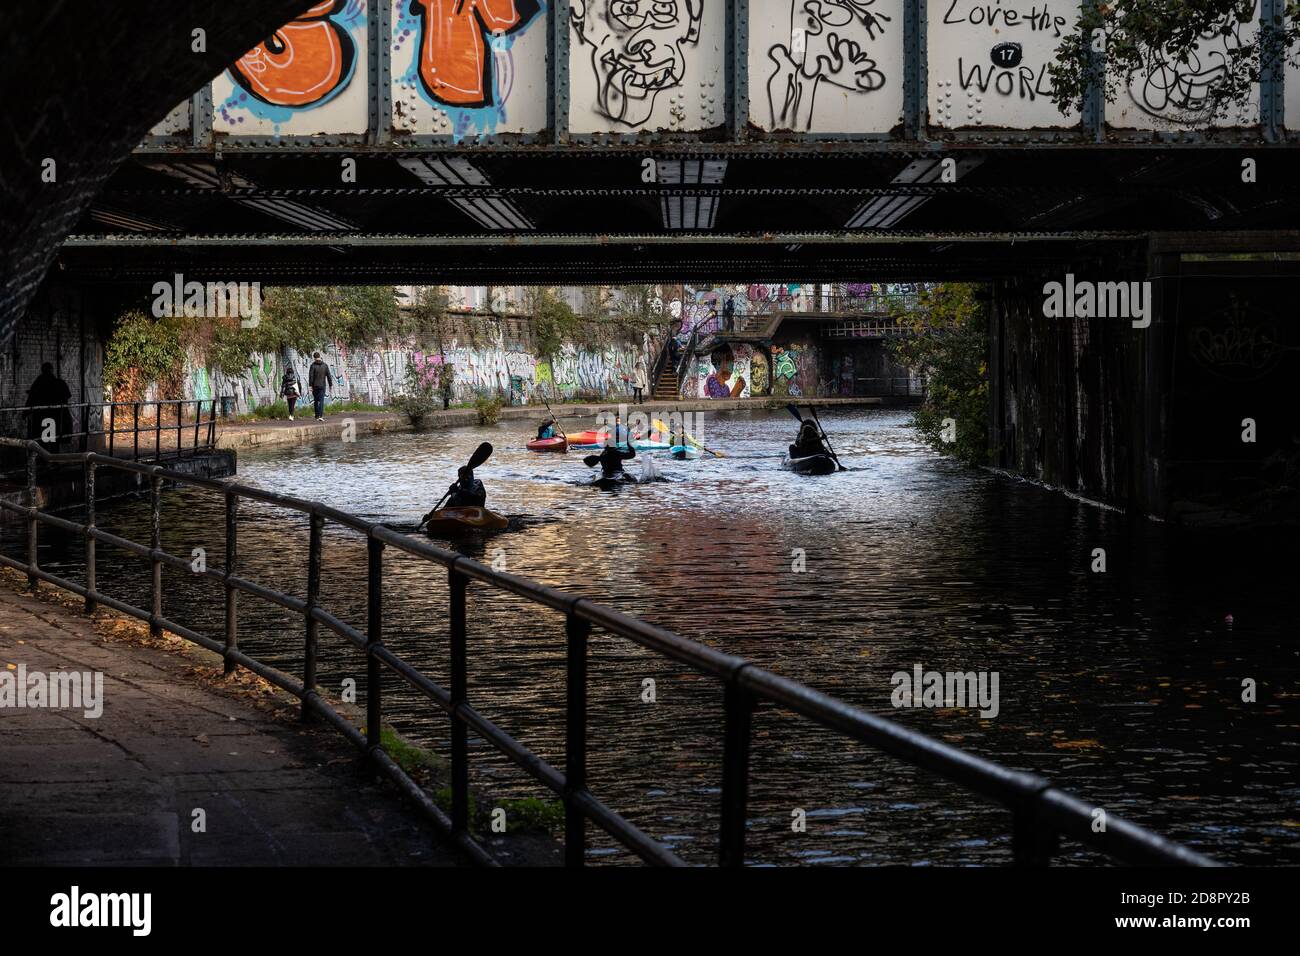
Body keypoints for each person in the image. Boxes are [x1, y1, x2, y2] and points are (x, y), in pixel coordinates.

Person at [25, 362, 72, 451]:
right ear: (52, 370)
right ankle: (54, 460)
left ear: (42, 370)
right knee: (55, 439)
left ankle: (45, 459)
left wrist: (25, 413)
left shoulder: (38, 383)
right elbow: (67, 396)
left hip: (42, 416)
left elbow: (31, 398)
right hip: (57, 417)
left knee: (43, 440)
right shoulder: (59, 383)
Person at [308, 352, 333, 420]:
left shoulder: (313, 366)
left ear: (314, 357)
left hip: (315, 386)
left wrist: (310, 385)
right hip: (322, 385)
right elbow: (329, 376)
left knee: (316, 400)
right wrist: (330, 385)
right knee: (321, 400)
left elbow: (311, 376)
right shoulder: (325, 365)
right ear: (320, 356)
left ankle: (316, 416)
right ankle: (320, 416)